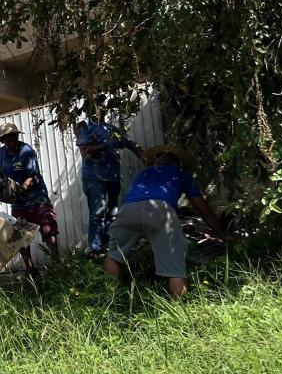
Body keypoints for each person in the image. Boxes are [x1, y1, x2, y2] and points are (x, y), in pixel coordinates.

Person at [104, 145, 229, 298]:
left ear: (157, 161)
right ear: (179, 163)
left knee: (114, 256)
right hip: (160, 210)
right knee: (175, 268)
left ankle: (109, 298)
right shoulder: (181, 174)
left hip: (128, 210)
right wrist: (220, 232)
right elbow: (202, 208)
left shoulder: (143, 173)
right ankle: (178, 306)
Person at [0, 121, 58, 272]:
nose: (12, 143)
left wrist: (21, 189)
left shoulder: (26, 151)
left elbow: (32, 176)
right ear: (2, 141)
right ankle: (30, 269)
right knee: (20, 236)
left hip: (37, 199)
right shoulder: (0, 154)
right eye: (8, 141)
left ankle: (58, 265)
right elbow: (2, 176)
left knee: (49, 230)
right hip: (18, 203)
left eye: (14, 139)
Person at [77, 111, 134, 256]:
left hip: (113, 177)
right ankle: (96, 250)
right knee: (98, 212)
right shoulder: (85, 127)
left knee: (112, 214)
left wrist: (143, 154)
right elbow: (85, 151)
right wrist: (107, 145)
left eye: (102, 106)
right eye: (96, 106)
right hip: (95, 178)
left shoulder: (111, 128)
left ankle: (109, 248)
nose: (100, 110)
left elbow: (129, 143)